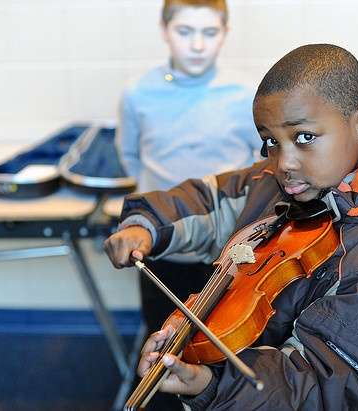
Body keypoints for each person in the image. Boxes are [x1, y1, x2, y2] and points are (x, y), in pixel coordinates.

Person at [106, 44, 358, 410]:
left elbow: (320, 387)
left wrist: (214, 385)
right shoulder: (291, 181)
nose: (284, 162)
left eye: (304, 137)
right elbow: (213, 198)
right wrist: (145, 225)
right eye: (270, 142)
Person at [115, 1, 259, 408]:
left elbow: (260, 170)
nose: (197, 44)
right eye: (185, 31)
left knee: (227, 341)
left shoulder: (246, 95)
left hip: (228, 248)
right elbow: (130, 158)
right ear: (164, 31)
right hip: (162, 246)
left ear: (225, 33)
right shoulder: (137, 93)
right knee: (162, 339)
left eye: (209, 32)